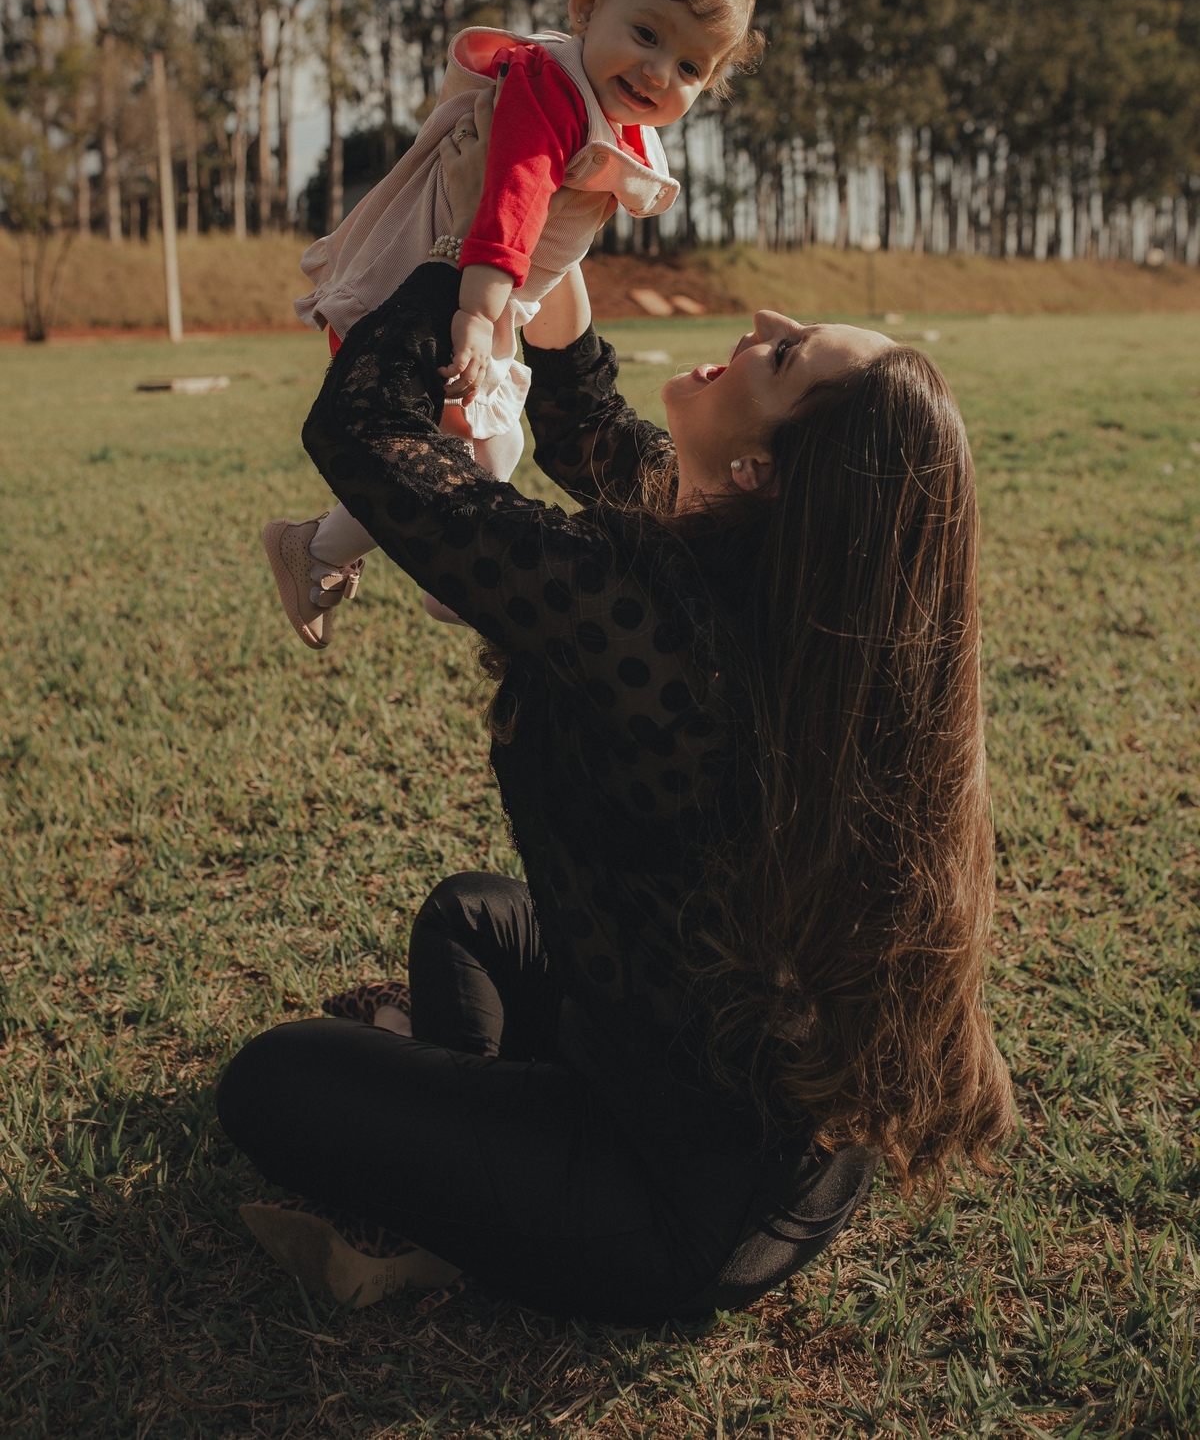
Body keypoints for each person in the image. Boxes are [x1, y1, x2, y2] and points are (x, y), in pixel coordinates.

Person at [218, 107, 1013, 1325]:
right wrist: (546, 241)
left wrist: (474, 257)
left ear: (762, 476)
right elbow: (587, 422)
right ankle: (473, 1142)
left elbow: (364, 433)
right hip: (735, 1108)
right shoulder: (763, 579)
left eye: (787, 356)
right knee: (470, 918)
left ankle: (458, 1193)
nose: (762, 323)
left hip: (671, 1207)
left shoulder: (651, 619)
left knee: (270, 1084)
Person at [263, 0, 762, 647]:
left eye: (691, 65)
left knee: (491, 446)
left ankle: (390, 562)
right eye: (646, 33)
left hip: (485, 293)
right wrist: (472, 311)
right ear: (586, 6)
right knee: (444, 446)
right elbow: (513, 199)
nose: (660, 72)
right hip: (434, 282)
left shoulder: (607, 112)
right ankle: (392, 564)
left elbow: (551, 247)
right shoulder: (550, 86)